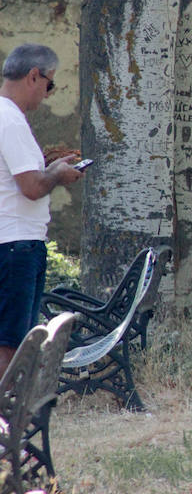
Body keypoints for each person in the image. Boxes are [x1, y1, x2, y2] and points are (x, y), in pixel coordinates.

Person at [0, 44, 83, 377]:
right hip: (16, 246)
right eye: (50, 84)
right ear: (34, 76)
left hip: (15, 243)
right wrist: (57, 174)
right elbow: (32, 188)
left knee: (16, 341)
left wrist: (50, 169)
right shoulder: (10, 120)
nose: (49, 94)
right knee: (11, 346)